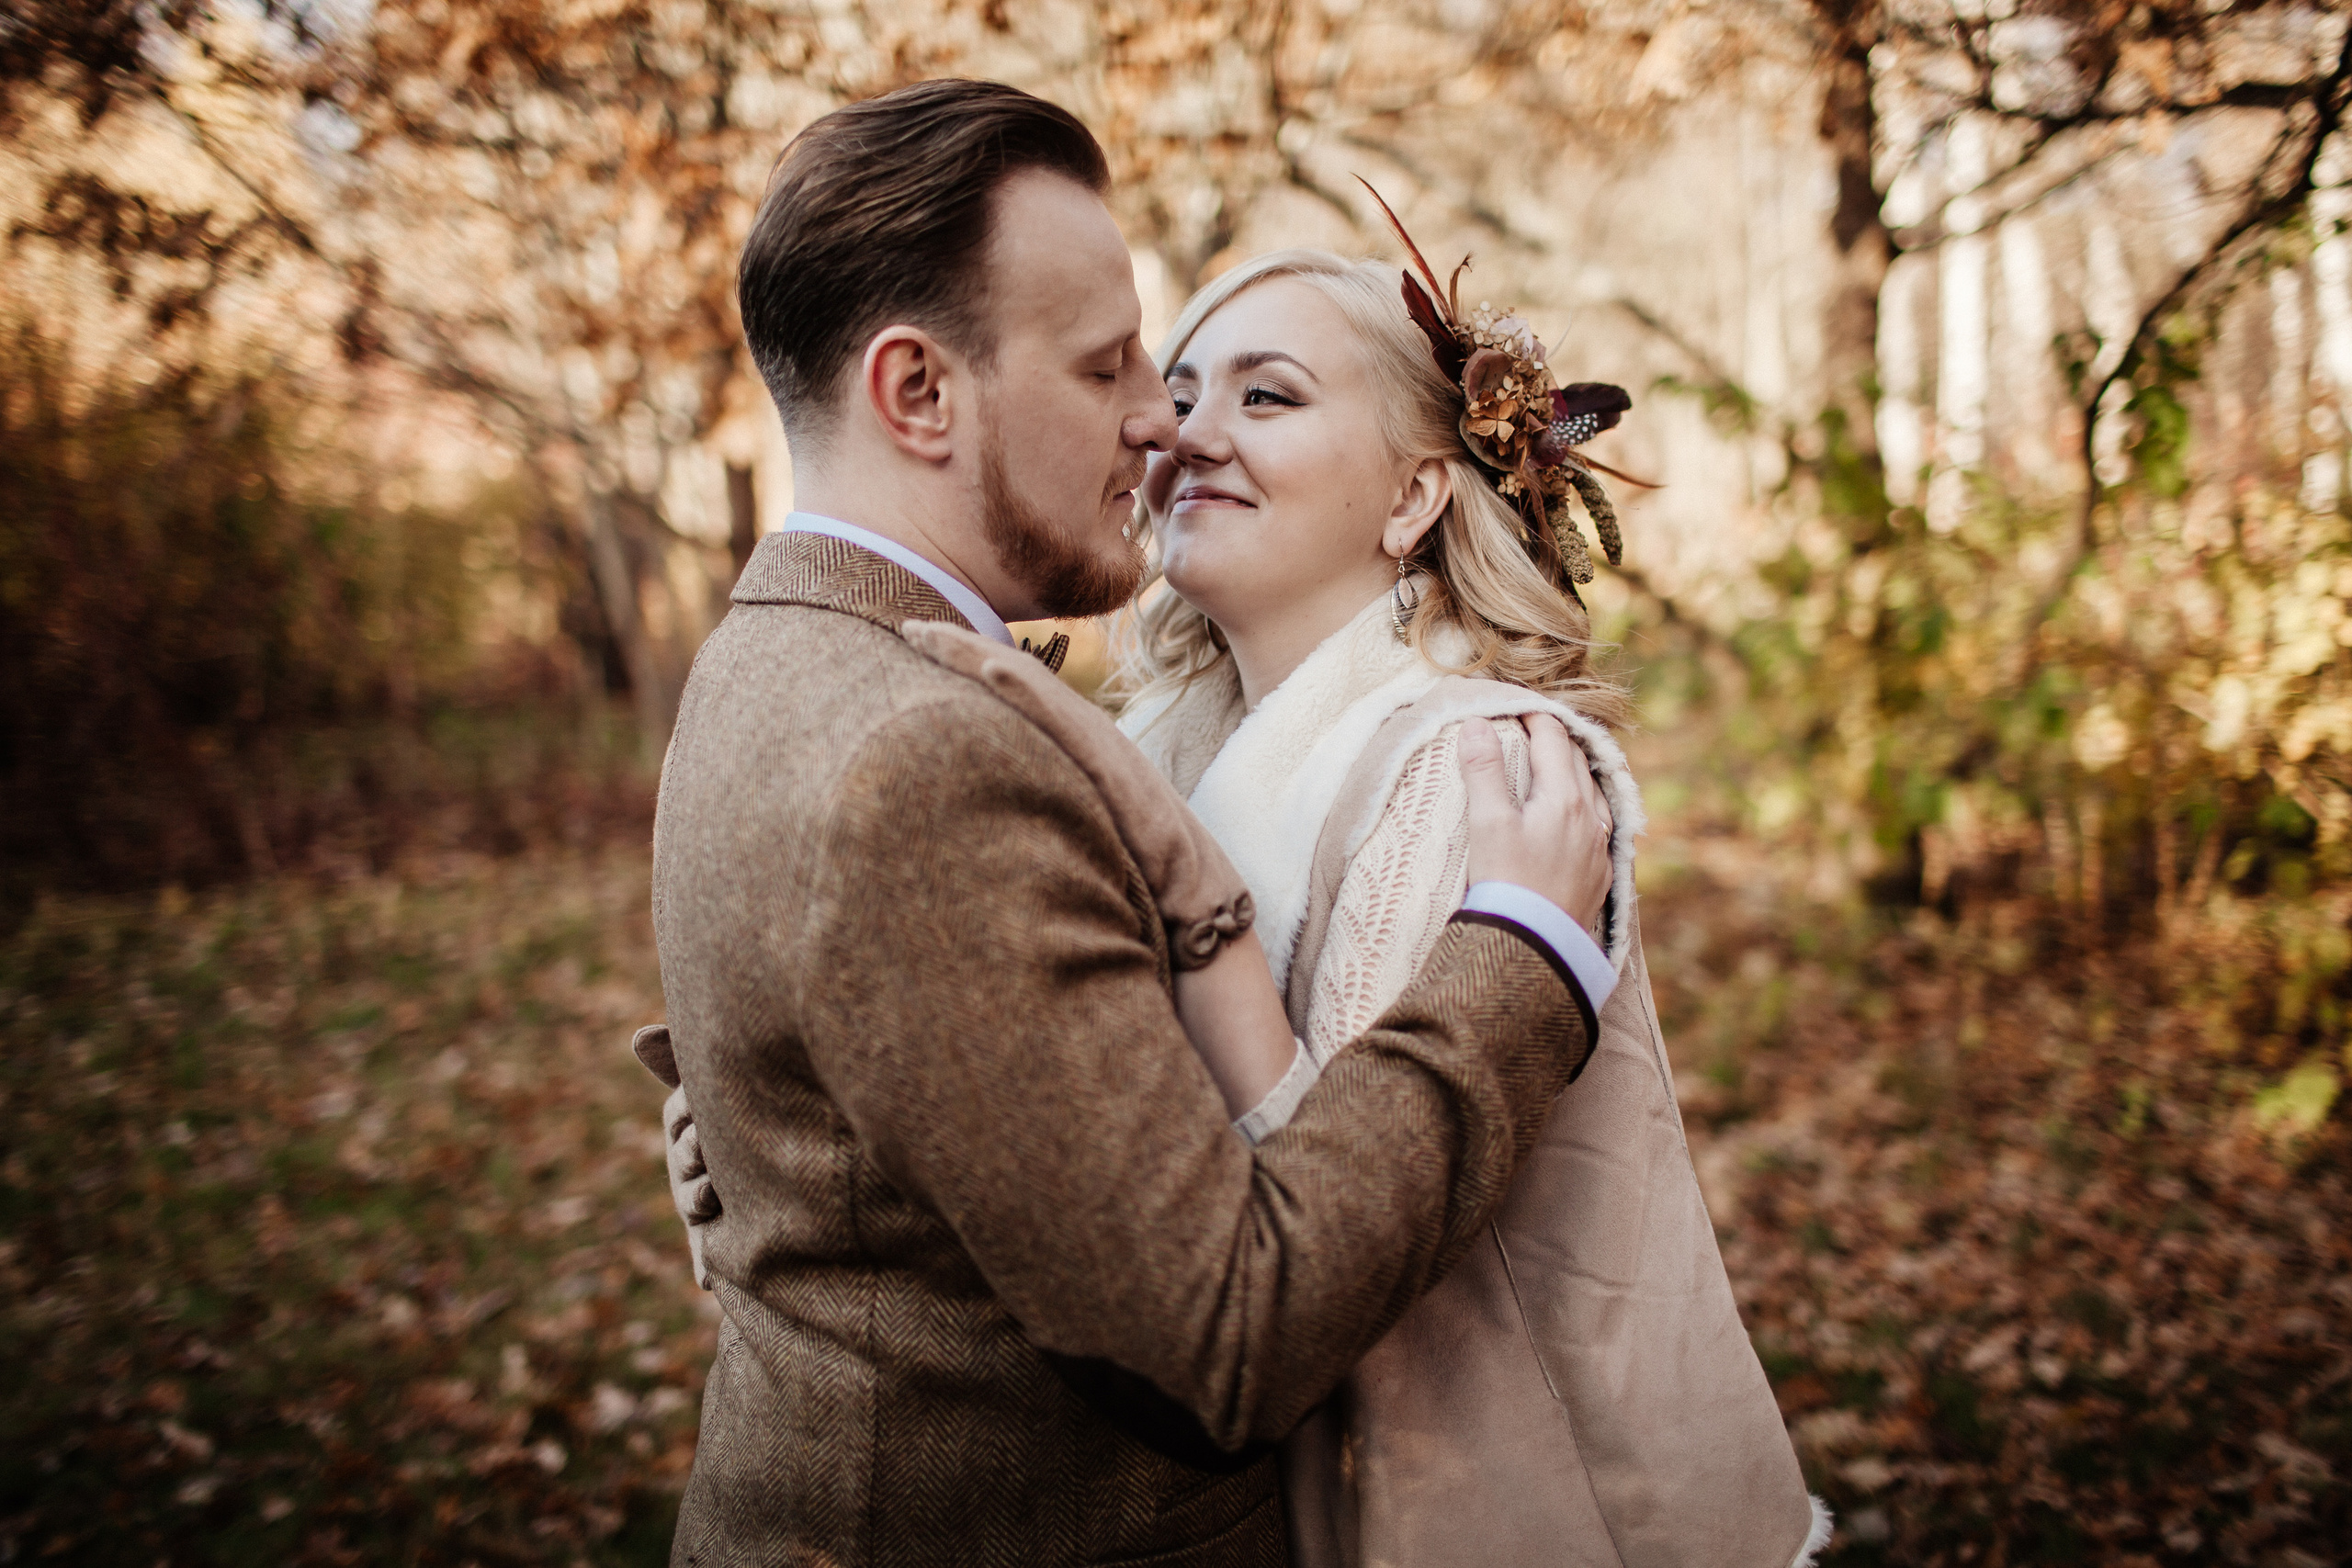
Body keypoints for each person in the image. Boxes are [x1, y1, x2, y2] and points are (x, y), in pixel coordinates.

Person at [639, 78, 1620, 1567]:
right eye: (1111, 371)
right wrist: (1520, 957)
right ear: (918, 393)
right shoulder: (923, 757)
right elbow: (1225, 1331)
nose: (1162, 424)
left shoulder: (775, 652)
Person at [1107, 246, 1833, 1565]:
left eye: (1266, 398)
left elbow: (1325, 1216)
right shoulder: (1179, 760)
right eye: (1182, 392)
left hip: (1497, 1494)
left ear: (1412, 498)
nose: (1187, 432)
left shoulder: (1472, 765)